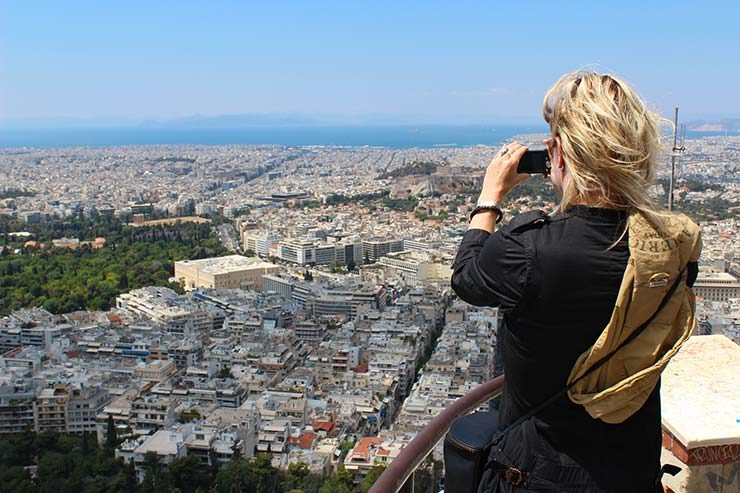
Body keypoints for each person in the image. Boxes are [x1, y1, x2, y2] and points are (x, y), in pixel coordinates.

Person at [451, 71, 701, 492]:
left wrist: (490, 197)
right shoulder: (673, 245)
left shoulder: (529, 250)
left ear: (559, 154)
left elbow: (466, 277)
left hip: (538, 476)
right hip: (631, 473)